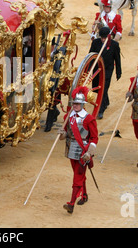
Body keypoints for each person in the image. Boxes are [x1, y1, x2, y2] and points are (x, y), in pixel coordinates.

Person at [59, 86, 98, 214]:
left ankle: (71, 203)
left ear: (82, 104)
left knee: (78, 176)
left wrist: (89, 152)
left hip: (83, 151)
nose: (75, 105)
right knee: (78, 173)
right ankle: (84, 194)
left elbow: (94, 137)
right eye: (74, 103)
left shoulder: (89, 119)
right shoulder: (68, 117)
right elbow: (66, 134)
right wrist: (62, 134)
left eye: (77, 104)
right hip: (71, 149)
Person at [89, 26, 122, 119]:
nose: (103, 40)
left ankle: (101, 109)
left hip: (107, 69)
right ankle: (106, 101)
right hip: (97, 68)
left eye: (105, 38)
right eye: (102, 37)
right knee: (96, 87)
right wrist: (88, 69)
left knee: (103, 88)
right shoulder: (95, 42)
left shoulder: (114, 45)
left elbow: (117, 59)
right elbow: (90, 55)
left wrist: (118, 72)